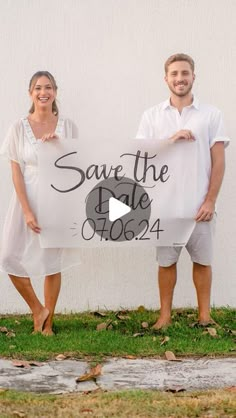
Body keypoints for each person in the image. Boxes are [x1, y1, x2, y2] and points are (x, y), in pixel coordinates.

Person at [136, 53, 230, 329]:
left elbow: (219, 161)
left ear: (193, 76)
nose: (180, 78)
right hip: (164, 207)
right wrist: (170, 140)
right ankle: (164, 317)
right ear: (166, 78)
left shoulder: (211, 114)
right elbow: (141, 154)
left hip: (199, 205)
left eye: (185, 73)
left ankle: (204, 316)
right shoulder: (151, 116)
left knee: (203, 262)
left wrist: (210, 200)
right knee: (166, 263)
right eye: (174, 73)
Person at [0, 71, 80, 335]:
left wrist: (60, 147)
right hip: (28, 197)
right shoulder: (17, 127)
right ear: (30, 93)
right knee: (9, 256)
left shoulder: (67, 126)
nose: (43, 92)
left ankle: (48, 324)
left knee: (51, 261)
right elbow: (16, 172)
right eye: (37, 88)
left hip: (56, 198)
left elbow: (78, 167)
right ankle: (38, 309)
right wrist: (26, 209)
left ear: (55, 92)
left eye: (48, 87)